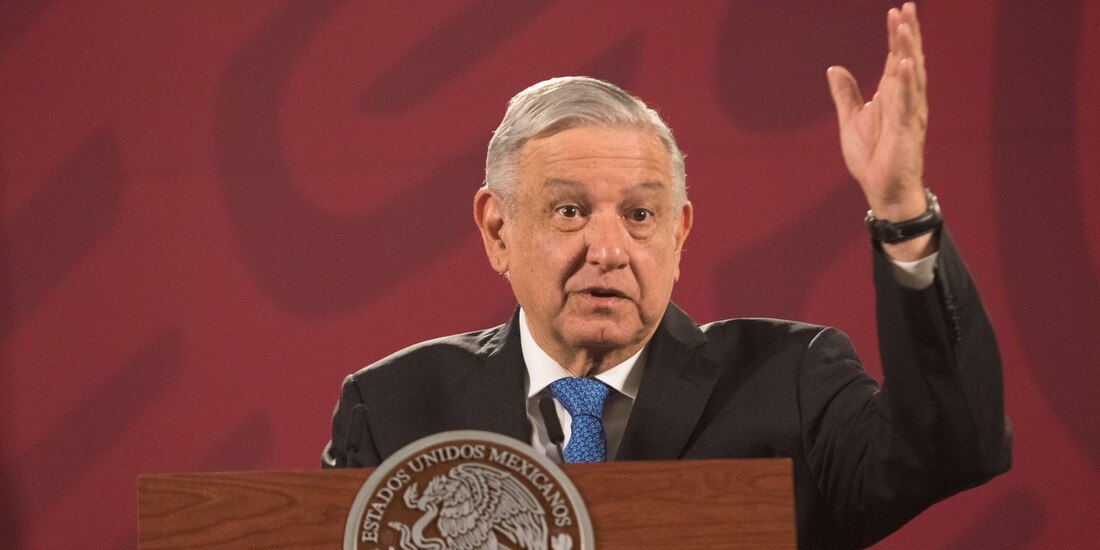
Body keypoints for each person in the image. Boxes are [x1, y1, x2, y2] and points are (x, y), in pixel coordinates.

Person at [323, 3, 1010, 547]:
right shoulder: (395, 410)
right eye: (569, 211)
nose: (610, 249)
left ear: (679, 234)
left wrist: (900, 212)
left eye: (640, 215)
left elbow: (954, 449)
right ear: (498, 230)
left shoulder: (789, 381)